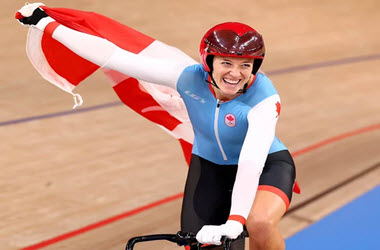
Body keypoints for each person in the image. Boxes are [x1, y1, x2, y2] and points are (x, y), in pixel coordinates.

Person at [17, 3, 297, 250]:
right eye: (226, 63)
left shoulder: (265, 99)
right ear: (208, 62)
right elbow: (113, 57)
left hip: (267, 165)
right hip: (210, 167)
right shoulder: (187, 78)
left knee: (258, 222)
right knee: (201, 244)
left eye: (245, 65)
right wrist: (48, 25)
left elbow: (251, 161)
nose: (236, 73)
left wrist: (236, 220)